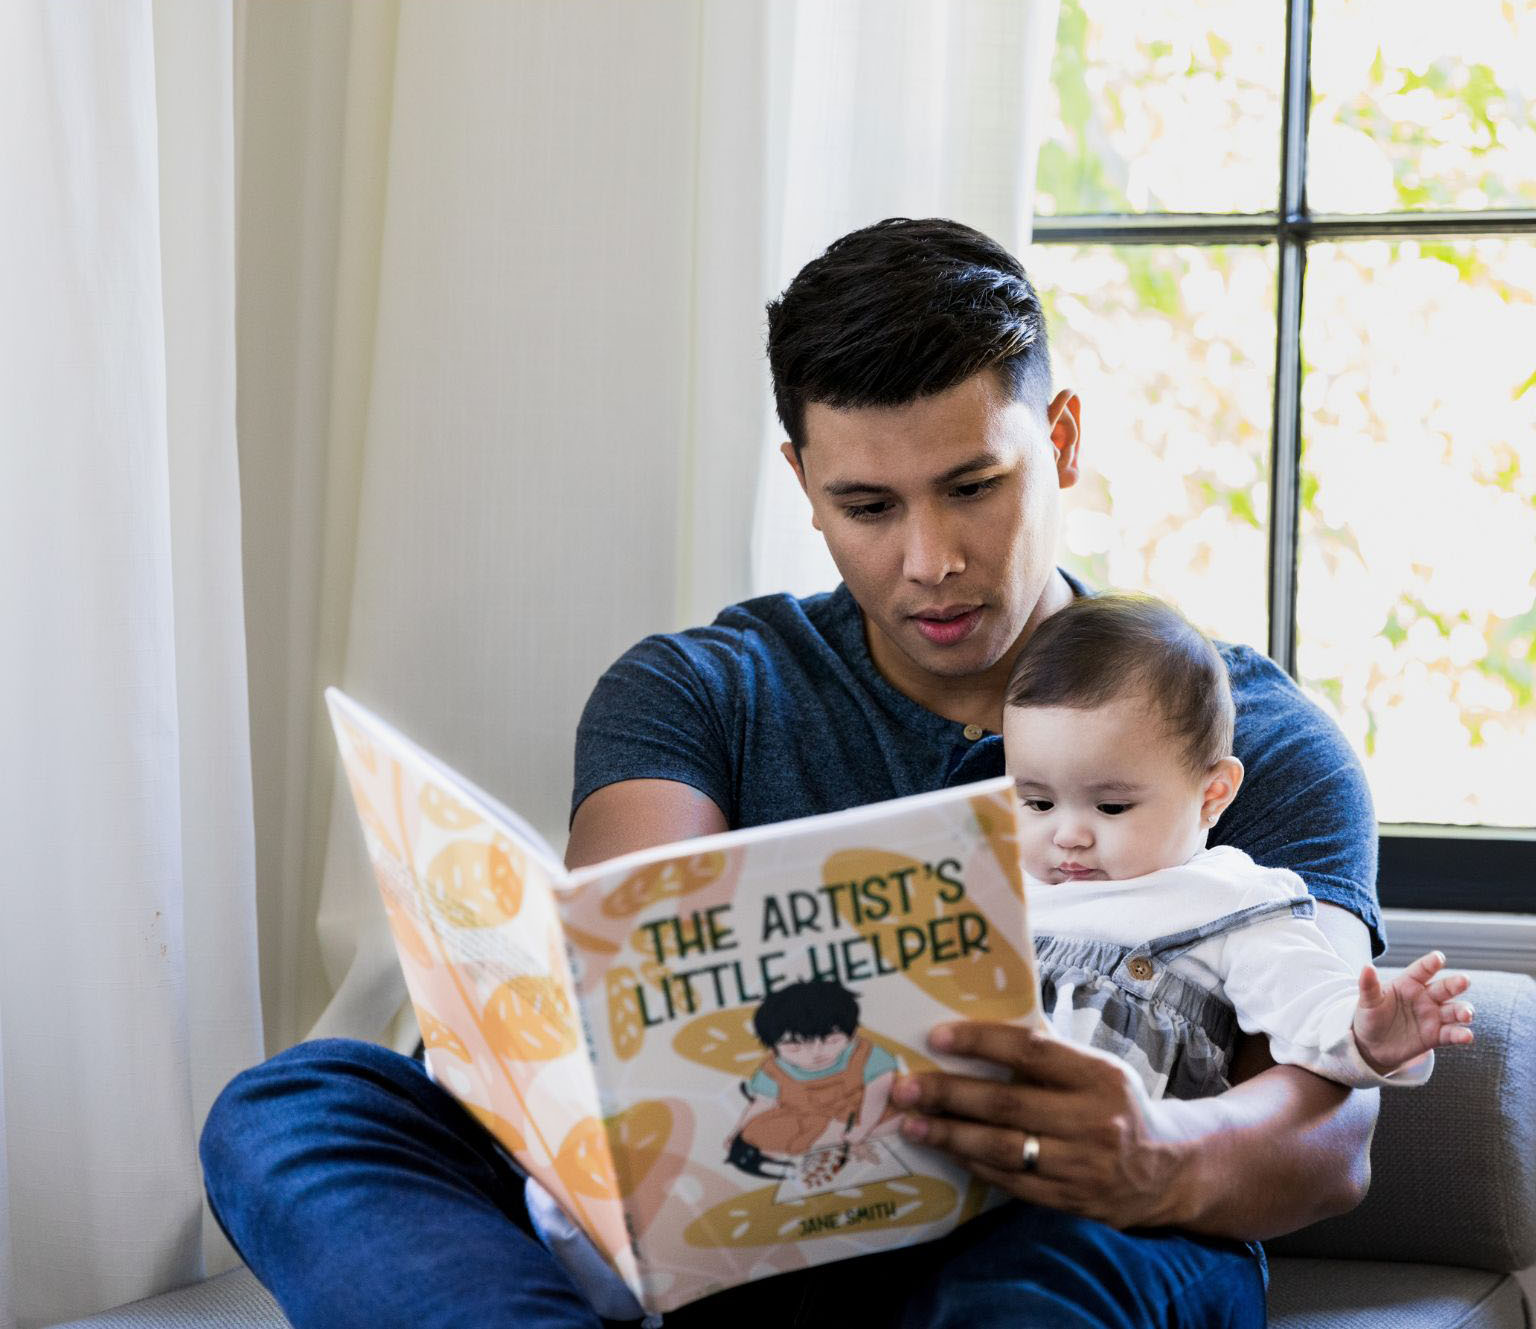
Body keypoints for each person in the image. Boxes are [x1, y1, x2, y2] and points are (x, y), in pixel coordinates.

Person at [199, 216, 1385, 1328]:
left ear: (1059, 441)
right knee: (296, 1110)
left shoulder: (1241, 742)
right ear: (801, 482)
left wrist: (1149, 1153)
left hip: (1059, 1220)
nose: (931, 560)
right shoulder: (700, 689)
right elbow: (619, 989)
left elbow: (1331, 1138)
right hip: (739, 1205)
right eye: (865, 505)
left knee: (1065, 1261)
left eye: (973, 487)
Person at [1003, 592, 1473, 1103]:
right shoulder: (995, 887)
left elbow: (1309, 1006)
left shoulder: (1229, 903)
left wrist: (1370, 1032)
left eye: (1111, 808)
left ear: (1213, 794)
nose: (1068, 835)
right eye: (1037, 803)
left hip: (1113, 1165)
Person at [726, 979, 902, 1178]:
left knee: (901, 1111)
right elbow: (763, 1103)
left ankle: (843, 1140)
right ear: (773, 1045)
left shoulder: (866, 1054)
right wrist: (737, 1132)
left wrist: (863, 1128)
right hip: (810, 1121)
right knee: (755, 1131)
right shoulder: (773, 1069)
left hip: (860, 1113)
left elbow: (877, 1093)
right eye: (795, 1047)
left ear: (851, 1032)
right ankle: (832, 1142)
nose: (816, 1053)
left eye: (831, 1041)